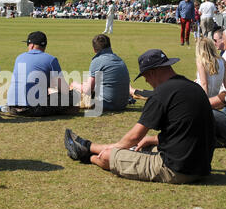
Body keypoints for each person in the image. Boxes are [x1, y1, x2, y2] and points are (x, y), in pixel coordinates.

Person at [64, 49, 215, 184]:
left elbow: (134, 137)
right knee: (143, 145)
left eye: (145, 77)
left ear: (153, 72)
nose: (147, 81)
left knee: (108, 156)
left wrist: (113, 149)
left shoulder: (162, 93)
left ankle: (87, 153)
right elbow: (187, 132)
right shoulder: (194, 88)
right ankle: (89, 147)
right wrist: (153, 139)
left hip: (177, 170)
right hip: (200, 165)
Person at [7, 31, 78, 116]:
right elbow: (63, 89)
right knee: (73, 95)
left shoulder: (19, 57)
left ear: (31, 45)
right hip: (32, 109)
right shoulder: (51, 59)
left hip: (11, 107)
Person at [70, 34, 130, 112]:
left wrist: (74, 85)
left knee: (74, 90)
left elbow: (88, 90)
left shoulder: (97, 61)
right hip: (123, 104)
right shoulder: (119, 60)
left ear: (94, 50)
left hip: (107, 104)